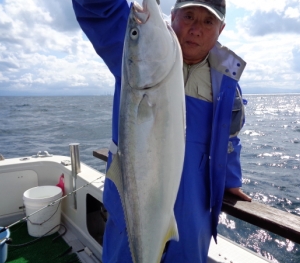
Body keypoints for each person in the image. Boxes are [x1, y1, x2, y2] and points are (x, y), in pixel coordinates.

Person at [72, 0, 251, 262]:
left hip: (193, 216)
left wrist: (231, 182)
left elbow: (229, 140)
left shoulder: (226, 85)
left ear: (220, 29)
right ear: (173, 15)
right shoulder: (140, 50)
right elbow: (97, 7)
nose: (196, 29)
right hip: (133, 210)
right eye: (188, 16)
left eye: (208, 21)